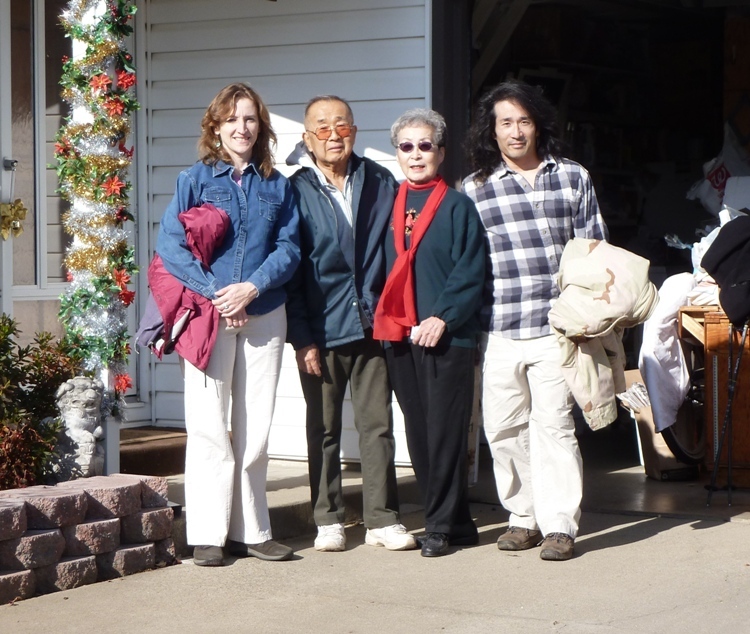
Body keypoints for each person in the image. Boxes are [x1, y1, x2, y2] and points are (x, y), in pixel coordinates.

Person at [462, 80, 608, 561]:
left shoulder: (571, 176)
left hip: (556, 328)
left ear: (538, 125)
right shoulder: (476, 188)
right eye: (506, 122)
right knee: (503, 428)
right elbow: (469, 263)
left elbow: (594, 252)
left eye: (524, 121)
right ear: (493, 130)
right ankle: (522, 518)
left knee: (554, 425)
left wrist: (589, 319)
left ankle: (560, 524)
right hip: (500, 325)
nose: (516, 131)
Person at [156, 82, 300, 567]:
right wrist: (218, 294)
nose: (242, 127)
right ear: (216, 126)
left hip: (263, 313)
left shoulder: (278, 184)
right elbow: (171, 245)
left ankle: (253, 530)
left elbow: (290, 248)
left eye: (251, 119)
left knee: (255, 426)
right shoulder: (193, 180)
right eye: (232, 119)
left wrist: (250, 288)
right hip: (208, 314)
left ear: (261, 128)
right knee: (208, 425)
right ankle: (208, 534)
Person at [285, 96, 416, 552]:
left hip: (372, 326)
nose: (333, 134)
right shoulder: (294, 190)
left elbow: (399, 254)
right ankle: (328, 518)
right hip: (320, 330)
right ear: (306, 139)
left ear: (355, 132)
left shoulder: (380, 180)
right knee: (321, 428)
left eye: (341, 125)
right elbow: (293, 273)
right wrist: (302, 339)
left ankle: (382, 518)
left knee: (377, 425)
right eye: (321, 128)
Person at [374, 109, 486, 557]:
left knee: (444, 432)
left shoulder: (459, 206)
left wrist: (443, 316)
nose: (416, 154)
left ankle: (437, 524)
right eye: (406, 146)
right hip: (400, 336)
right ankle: (458, 522)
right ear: (396, 152)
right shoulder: (389, 203)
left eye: (425, 146)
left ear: (440, 152)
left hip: (445, 336)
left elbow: (471, 270)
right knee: (419, 433)